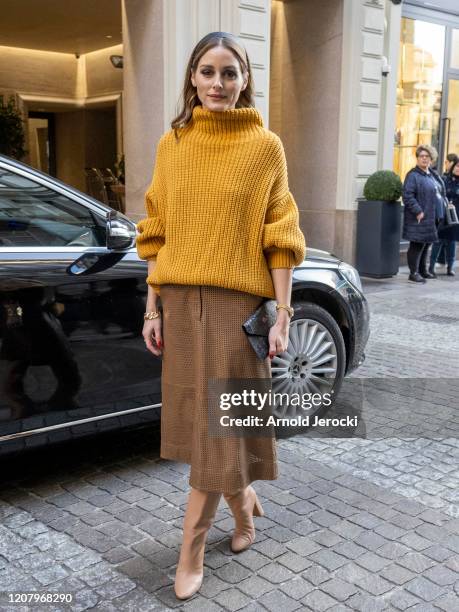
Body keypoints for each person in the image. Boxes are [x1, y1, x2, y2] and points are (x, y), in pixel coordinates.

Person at [135, 31, 306, 600]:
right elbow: (155, 230)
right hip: (181, 307)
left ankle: (191, 547)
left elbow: (281, 238)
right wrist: (152, 306)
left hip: (237, 314)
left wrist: (282, 315)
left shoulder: (266, 147)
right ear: (192, 78)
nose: (217, 83)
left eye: (229, 73)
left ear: (245, 79)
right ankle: (245, 506)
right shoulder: (173, 144)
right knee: (205, 427)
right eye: (207, 72)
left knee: (218, 432)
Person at [402, 145, 446, 283]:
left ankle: (423, 270)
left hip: (433, 215)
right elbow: (407, 195)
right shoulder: (413, 175)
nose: (424, 158)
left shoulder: (432, 174)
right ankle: (413, 273)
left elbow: (439, 191)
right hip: (420, 216)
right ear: (417, 158)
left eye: (427, 156)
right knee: (417, 244)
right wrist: (418, 210)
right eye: (422, 156)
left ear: (431, 159)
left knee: (426, 244)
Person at [430, 158, 459, 276]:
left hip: (456, 216)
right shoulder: (444, 179)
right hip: (443, 214)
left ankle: (450, 267)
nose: (458, 169)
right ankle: (431, 267)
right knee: (438, 240)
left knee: (452, 242)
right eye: (457, 166)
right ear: (453, 167)